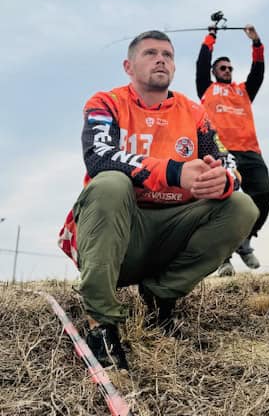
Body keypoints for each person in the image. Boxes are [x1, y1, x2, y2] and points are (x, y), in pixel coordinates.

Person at [58, 30, 258, 370]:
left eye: (167, 54)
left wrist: (222, 180)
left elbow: (228, 163)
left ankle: (159, 297)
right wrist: (176, 172)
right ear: (128, 65)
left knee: (241, 206)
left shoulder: (194, 113)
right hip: (118, 236)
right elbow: (98, 156)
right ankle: (101, 322)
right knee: (110, 185)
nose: (161, 59)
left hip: (169, 230)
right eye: (150, 53)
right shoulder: (106, 103)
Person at [196, 22, 269, 277]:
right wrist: (212, 35)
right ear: (214, 71)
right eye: (222, 67)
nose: (227, 70)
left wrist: (256, 42)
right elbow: (201, 62)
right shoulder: (206, 88)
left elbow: (258, 72)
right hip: (222, 152)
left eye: (230, 68)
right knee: (225, 203)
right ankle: (223, 259)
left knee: (264, 193)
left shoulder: (243, 91)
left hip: (250, 151)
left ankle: (245, 239)